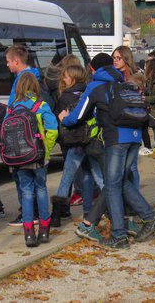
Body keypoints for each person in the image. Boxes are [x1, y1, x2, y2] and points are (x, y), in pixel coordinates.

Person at [59, 53, 155, 249]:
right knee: (119, 182)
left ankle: (119, 235)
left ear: (93, 69)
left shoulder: (95, 86)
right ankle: (150, 219)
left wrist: (63, 118)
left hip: (115, 140)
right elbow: (141, 111)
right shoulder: (125, 83)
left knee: (113, 185)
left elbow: (78, 116)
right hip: (134, 139)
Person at [10, 72, 58, 247]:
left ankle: (29, 233)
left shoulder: (13, 106)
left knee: (26, 192)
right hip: (38, 156)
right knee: (41, 189)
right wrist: (47, 149)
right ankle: (44, 230)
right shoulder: (41, 105)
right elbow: (53, 129)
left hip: (20, 156)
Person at [51, 64, 103, 226]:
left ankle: (56, 216)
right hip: (92, 140)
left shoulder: (64, 97)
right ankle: (91, 211)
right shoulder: (89, 92)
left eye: (65, 77)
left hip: (74, 143)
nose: (63, 79)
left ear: (73, 78)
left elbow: (59, 119)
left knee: (67, 177)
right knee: (95, 177)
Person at [5, 45, 42, 227]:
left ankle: (28, 213)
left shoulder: (21, 81)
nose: (7, 65)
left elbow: (12, 107)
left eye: (8, 61)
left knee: (23, 180)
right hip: (35, 140)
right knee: (36, 182)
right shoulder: (34, 77)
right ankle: (37, 214)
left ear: (16, 61)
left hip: (21, 137)